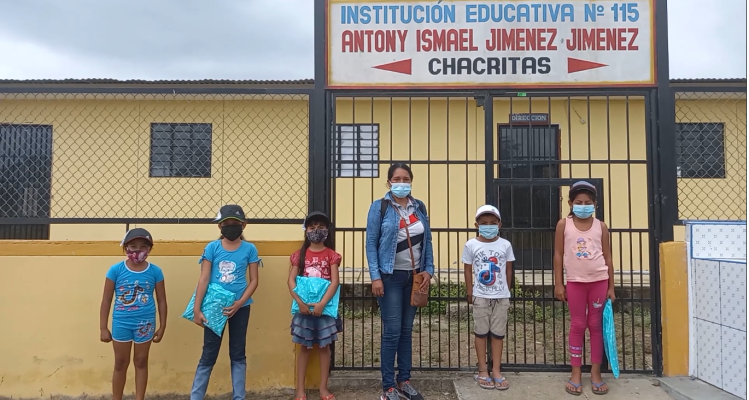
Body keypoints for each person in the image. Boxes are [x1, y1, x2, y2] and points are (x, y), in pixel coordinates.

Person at [365, 163, 435, 400]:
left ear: (411, 181)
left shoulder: (419, 207)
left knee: (406, 330)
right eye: (397, 178)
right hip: (390, 276)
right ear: (389, 182)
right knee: (392, 331)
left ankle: (404, 380)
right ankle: (388, 386)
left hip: (413, 277)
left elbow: (428, 241)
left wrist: (429, 269)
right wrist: (375, 277)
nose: (401, 182)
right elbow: (371, 244)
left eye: (406, 178)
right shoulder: (380, 207)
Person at [190, 205, 261, 400]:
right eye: (227, 223)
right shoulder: (212, 247)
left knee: (238, 353)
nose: (231, 227)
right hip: (214, 308)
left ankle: (239, 397)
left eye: (235, 223)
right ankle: (196, 397)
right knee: (209, 354)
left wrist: (240, 303)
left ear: (244, 225)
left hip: (241, 308)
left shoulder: (250, 248)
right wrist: (197, 309)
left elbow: (254, 280)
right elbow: (204, 278)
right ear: (220, 226)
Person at [553, 181, 616, 396]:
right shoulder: (564, 224)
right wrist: (559, 283)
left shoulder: (601, 226)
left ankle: (596, 373)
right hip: (575, 283)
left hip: (599, 281)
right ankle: (576, 373)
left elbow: (608, 257)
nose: (583, 205)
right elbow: (558, 255)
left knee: (595, 325)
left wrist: (611, 287)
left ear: (595, 204)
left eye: (587, 202)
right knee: (578, 325)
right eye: (578, 202)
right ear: (570, 203)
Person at [99, 228, 167, 400]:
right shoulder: (115, 270)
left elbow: (161, 300)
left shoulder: (155, 272)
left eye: (143, 247)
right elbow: (106, 300)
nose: (138, 251)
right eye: (133, 246)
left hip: (145, 324)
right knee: (120, 363)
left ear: (150, 250)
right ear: (125, 248)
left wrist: (163, 325)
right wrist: (103, 328)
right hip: (121, 322)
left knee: (141, 361)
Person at [288, 211, 341, 400]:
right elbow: (291, 281)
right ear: (306, 231)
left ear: (327, 231)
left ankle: (323, 389)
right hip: (303, 310)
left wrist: (322, 304)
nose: (316, 230)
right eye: (312, 227)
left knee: (324, 347)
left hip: (324, 311)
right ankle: (300, 390)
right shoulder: (298, 256)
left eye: (320, 227)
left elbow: (335, 282)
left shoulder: (332, 256)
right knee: (304, 347)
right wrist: (300, 303)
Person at [462, 205, 514, 390]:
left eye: (492, 223)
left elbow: (508, 269)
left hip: (501, 297)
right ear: (476, 224)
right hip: (480, 296)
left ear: (499, 224)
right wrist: (470, 291)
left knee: (498, 334)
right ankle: (483, 369)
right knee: (481, 333)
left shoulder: (505, 244)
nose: (489, 226)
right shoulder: (471, 244)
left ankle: (497, 370)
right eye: (484, 223)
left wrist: (506, 290)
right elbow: (468, 269)